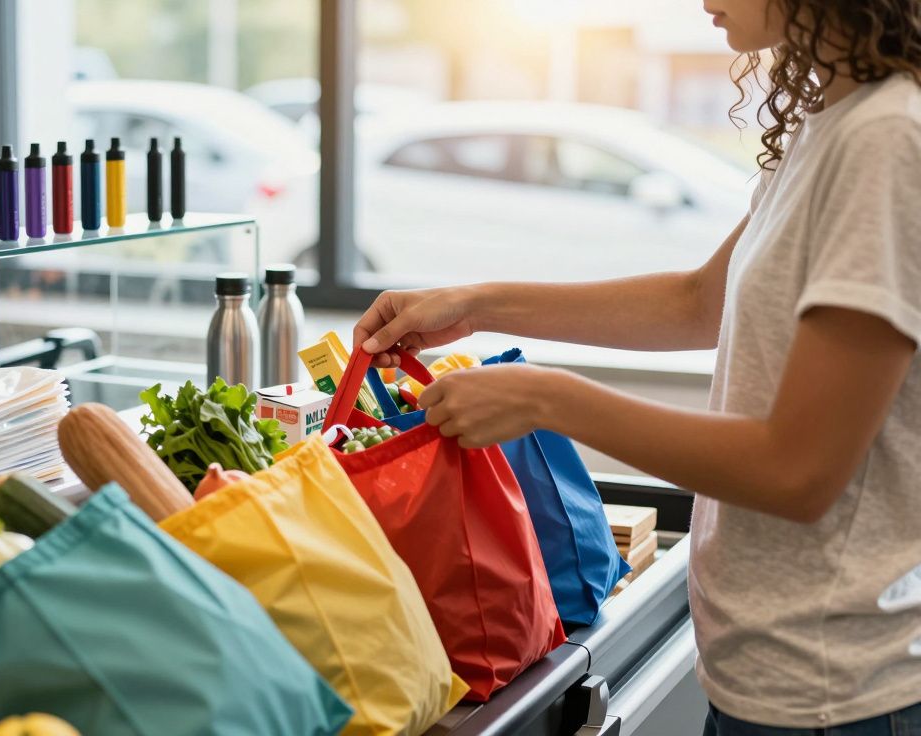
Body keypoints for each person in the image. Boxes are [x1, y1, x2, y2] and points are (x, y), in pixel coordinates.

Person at [354, 1, 921, 734]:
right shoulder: (834, 123)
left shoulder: (887, 141)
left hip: (839, 697)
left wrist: (547, 399)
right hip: (774, 679)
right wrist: (476, 303)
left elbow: (799, 470)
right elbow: (697, 303)